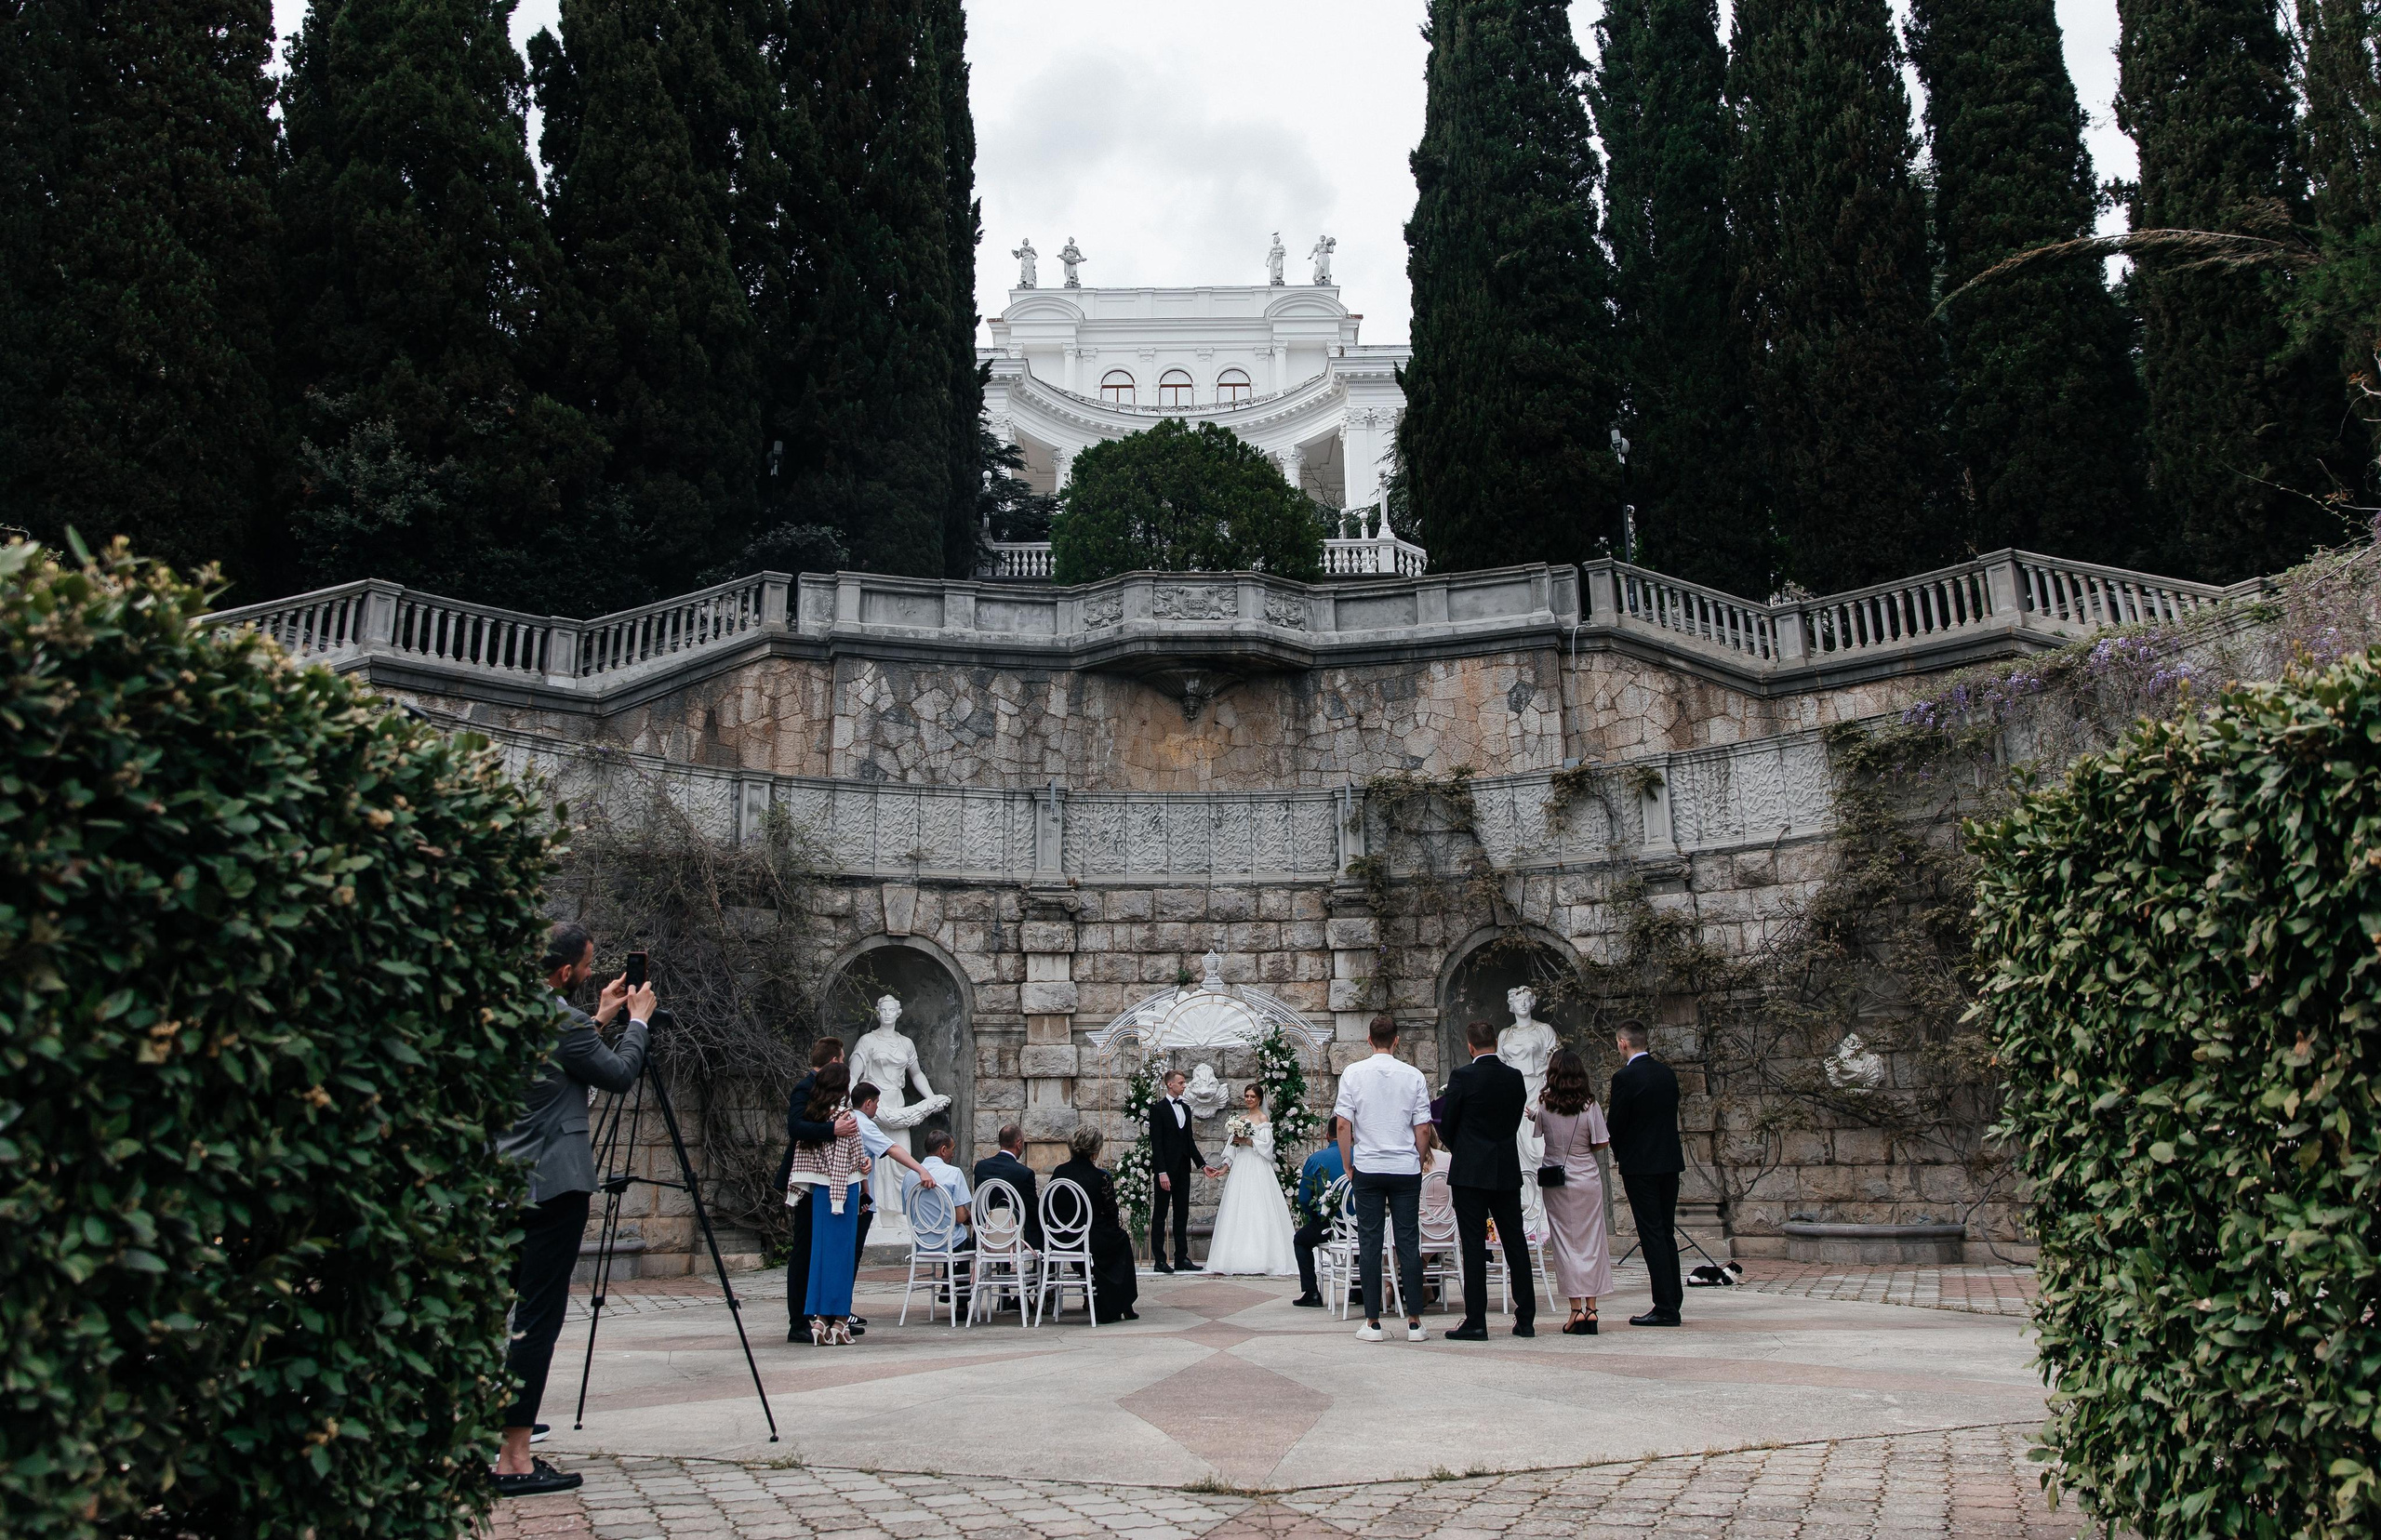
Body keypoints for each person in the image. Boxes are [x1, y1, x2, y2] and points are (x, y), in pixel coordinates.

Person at [491, 923, 655, 1494]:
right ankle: (514, 1457)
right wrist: (637, 1021)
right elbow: (616, 1075)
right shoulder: (560, 1022)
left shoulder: (505, 1013)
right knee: (538, 1317)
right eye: (587, 967)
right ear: (564, 972)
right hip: (553, 1184)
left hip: (502, 1182)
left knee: (503, 1309)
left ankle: (492, 1426)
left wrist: (603, 1016)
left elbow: (559, 1055)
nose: (591, 975)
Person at [1333, 1015, 1432, 1344]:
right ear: (1397, 1040)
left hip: (1370, 1165)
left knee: (1371, 1242)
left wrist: (1348, 1163)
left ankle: (1373, 1321)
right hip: (1404, 1166)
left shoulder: (1353, 1073)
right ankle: (1415, 1321)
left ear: (1368, 1039)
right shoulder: (1414, 1075)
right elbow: (1422, 1128)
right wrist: (1417, 1160)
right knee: (1408, 1242)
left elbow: (1343, 1124)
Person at [1441, 1017, 1536, 1340]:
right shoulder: (1514, 1077)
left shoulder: (1462, 1076)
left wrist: (1462, 1148)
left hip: (1470, 1171)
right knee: (1515, 1241)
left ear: (1470, 1047)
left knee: (1473, 1244)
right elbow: (1514, 1118)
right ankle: (1525, 1318)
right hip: (1505, 1166)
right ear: (1495, 1042)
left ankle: (1476, 1320)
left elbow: (1448, 1120)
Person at [1528, 1047, 1615, 1334]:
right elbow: (1602, 1141)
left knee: (1565, 1244)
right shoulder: (1590, 1105)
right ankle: (1591, 1308)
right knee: (1591, 1241)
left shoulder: (1545, 1102)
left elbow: (1541, 1132)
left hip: (1556, 1178)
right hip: (1586, 1177)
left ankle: (1575, 1308)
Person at [1608, 1019, 1685, 1327]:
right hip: (1668, 1161)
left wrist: (1620, 1153)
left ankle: (1665, 1306)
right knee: (1666, 1231)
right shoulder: (1666, 1073)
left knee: (1651, 1233)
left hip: (1640, 1165)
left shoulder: (1625, 1077)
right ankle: (1673, 1299)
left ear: (1623, 1043)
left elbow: (1616, 1123)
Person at [781, 1038, 858, 1341]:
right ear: (836, 1061)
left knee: (822, 1249)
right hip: (811, 1180)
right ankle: (799, 1321)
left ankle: (829, 1315)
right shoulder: (806, 1087)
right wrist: (832, 1130)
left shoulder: (830, 1090)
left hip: (830, 1178)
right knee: (805, 1249)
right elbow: (796, 1127)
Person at [1204, 1084, 1298, 1275]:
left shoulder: (1263, 1119)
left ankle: (1263, 1257)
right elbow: (1232, 1148)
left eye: (1252, 1096)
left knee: (1259, 1207)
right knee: (1239, 1209)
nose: (1248, 1099)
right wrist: (1224, 1168)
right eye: (1246, 1096)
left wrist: (1248, 1141)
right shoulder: (1239, 1120)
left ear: (1259, 1099)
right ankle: (1235, 1257)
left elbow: (1267, 1149)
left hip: (1257, 1166)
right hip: (1241, 1166)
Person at [1051, 1125, 1140, 1321]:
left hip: (1061, 1237)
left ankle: (1090, 1292)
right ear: (1095, 1150)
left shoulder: (1059, 1172)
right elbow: (1111, 1213)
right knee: (1120, 1240)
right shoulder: (1101, 1177)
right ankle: (1124, 1303)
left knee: (1100, 1239)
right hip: (1089, 1237)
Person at [1148, 1069, 1221, 1272]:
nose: (1184, 1085)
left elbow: (1189, 1142)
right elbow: (1157, 1144)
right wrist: (1161, 1172)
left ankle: (1182, 1257)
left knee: (1182, 1213)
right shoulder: (1158, 1109)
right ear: (1170, 1084)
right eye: (1181, 1082)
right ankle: (1159, 1260)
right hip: (1165, 1170)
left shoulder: (1186, 1109)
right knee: (1160, 1214)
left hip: (1182, 1168)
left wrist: (1202, 1164)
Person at [1290, 1115, 1344, 1307]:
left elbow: (1304, 1198)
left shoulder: (1316, 1159)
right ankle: (1359, 1288)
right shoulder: (1363, 1155)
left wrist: (1315, 1216)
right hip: (1362, 1224)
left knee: (1300, 1240)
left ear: (1327, 1136)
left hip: (1328, 1224)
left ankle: (1311, 1292)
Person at [974, 1122, 1044, 1252]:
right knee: (1037, 1222)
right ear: (1018, 1144)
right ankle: (1042, 1269)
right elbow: (1033, 1208)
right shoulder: (1024, 1173)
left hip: (986, 1235)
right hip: (1015, 1236)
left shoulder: (981, 1168)